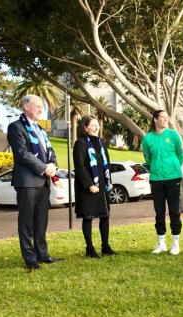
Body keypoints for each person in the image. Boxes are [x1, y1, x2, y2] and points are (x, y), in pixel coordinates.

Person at [7, 94, 63, 271]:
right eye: (37, 106)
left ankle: (43, 254)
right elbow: (22, 153)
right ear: (26, 107)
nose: (41, 109)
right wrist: (43, 167)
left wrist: (53, 164)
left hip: (43, 182)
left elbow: (50, 150)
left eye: (42, 107)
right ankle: (30, 259)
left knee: (41, 221)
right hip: (27, 182)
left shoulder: (40, 129)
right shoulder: (16, 127)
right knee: (27, 223)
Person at [142, 110, 183, 255]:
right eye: (163, 117)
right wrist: (156, 168)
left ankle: (176, 243)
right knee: (159, 212)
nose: (166, 119)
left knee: (174, 211)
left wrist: (173, 167)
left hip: (173, 178)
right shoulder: (147, 139)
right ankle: (161, 243)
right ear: (155, 119)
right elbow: (147, 158)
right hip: (156, 179)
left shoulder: (173, 135)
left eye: (167, 117)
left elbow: (181, 155)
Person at [73, 115, 115, 258]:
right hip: (87, 187)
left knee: (105, 216)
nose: (96, 127)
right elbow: (79, 167)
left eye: (97, 125)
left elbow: (106, 163)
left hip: (102, 185)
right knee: (88, 217)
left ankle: (105, 246)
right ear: (85, 127)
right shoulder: (80, 143)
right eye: (93, 125)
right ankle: (90, 249)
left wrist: (109, 181)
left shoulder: (101, 143)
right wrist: (89, 184)